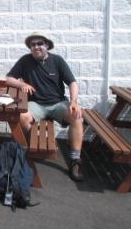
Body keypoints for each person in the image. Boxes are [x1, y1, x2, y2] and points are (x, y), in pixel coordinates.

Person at [6, 32, 84, 182]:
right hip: (36, 104)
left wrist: (74, 101)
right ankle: (32, 146)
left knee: (77, 117)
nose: (36, 47)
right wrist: (22, 84)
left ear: (47, 45)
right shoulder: (25, 60)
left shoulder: (57, 60)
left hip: (58, 103)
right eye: (33, 45)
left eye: (39, 43)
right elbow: (9, 78)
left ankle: (75, 159)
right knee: (21, 116)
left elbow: (72, 82)